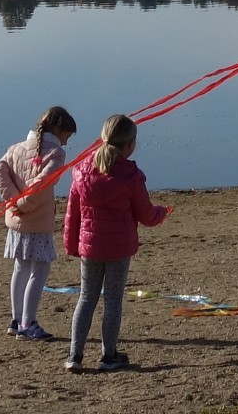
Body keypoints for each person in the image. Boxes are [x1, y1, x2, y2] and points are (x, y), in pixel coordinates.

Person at [63, 114, 170, 372]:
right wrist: (161, 213)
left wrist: (71, 244)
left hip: (90, 247)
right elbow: (145, 214)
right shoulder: (131, 176)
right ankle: (108, 355)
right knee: (112, 300)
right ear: (130, 145)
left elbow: (72, 213)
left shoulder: (81, 171)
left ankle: (74, 356)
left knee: (86, 298)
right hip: (118, 249)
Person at [0, 105, 77, 342]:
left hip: (18, 220)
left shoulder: (16, 148)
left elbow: (0, 171)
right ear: (58, 128)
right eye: (66, 136)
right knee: (39, 269)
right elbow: (41, 184)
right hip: (35, 221)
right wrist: (22, 203)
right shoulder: (55, 153)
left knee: (21, 267)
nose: (66, 143)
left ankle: (16, 319)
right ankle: (27, 323)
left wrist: (14, 201)